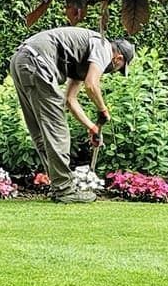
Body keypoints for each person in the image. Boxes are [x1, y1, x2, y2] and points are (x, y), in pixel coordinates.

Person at [9, 26, 136, 202]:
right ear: (118, 58)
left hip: (21, 60)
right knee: (58, 133)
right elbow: (92, 85)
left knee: (42, 132)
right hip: (37, 62)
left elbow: (70, 99)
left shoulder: (82, 58)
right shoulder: (103, 47)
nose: (115, 72)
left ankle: (59, 186)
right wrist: (103, 110)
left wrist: (92, 127)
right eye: (120, 68)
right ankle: (65, 190)